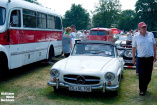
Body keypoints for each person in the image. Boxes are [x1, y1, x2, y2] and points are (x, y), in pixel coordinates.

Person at [132, 22, 156, 96]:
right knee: (142, 74)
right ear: (139, 28)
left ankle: (144, 86)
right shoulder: (136, 36)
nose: (144, 28)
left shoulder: (150, 34)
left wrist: (155, 55)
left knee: (148, 75)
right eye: (143, 27)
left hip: (149, 58)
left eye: (145, 27)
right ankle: (142, 90)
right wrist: (133, 58)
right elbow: (133, 48)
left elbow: (154, 45)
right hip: (141, 58)